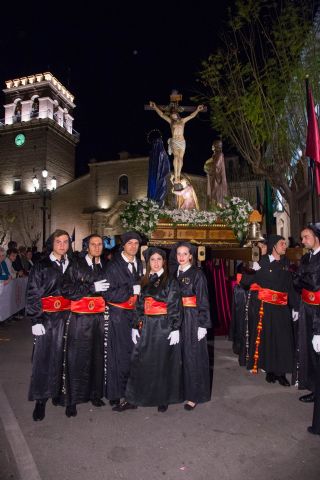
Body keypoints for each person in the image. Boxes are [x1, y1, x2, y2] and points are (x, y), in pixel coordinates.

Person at [125, 247, 183, 412]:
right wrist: (135, 326)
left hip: (162, 326)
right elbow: (139, 305)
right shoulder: (144, 280)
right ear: (148, 263)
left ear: (163, 261)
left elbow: (174, 305)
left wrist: (174, 327)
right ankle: (135, 397)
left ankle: (162, 398)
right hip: (147, 326)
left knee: (162, 363)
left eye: (159, 259)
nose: (156, 263)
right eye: (153, 260)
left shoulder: (170, 281)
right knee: (140, 362)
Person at [60, 234, 110, 417]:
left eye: (100, 244)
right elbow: (66, 290)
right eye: (93, 244)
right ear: (86, 247)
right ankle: (72, 400)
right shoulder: (76, 265)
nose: (97, 247)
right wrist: (90, 288)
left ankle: (95, 394)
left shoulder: (105, 265)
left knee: (97, 357)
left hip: (99, 317)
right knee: (76, 358)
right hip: (80, 318)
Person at [240, 234, 299, 385]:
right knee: (267, 339)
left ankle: (280, 373)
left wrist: (295, 307)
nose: (285, 246)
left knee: (282, 340)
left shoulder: (286, 263)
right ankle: (270, 371)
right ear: (274, 246)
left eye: (285, 244)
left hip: (281, 308)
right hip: (265, 308)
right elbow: (245, 283)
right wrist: (253, 269)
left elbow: (290, 287)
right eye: (282, 244)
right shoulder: (262, 262)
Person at [27, 229, 72, 421]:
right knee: (44, 359)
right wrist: (36, 319)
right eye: (58, 241)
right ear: (51, 244)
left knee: (67, 357)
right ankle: (41, 400)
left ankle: (64, 396)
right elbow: (33, 292)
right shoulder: (41, 266)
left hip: (69, 316)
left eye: (65, 242)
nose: (62, 245)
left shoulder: (72, 264)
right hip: (48, 319)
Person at [103, 231, 143, 411]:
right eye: (130, 243)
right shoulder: (113, 266)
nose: (133, 246)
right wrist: (130, 290)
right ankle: (116, 394)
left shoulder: (139, 263)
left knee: (133, 355)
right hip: (118, 315)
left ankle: (129, 393)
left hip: (134, 315)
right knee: (118, 356)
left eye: (136, 243)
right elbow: (108, 293)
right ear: (123, 245)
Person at [172, 241, 212, 410]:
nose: (181, 257)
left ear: (191, 256)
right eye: (178, 254)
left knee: (192, 356)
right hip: (177, 317)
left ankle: (194, 395)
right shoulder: (174, 273)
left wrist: (202, 324)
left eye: (184, 254)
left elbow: (203, 300)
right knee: (179, 356)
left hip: (192, 318)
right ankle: (181, 390)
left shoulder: (197, 274)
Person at [292, 224, 320, 433]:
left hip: (318, 311)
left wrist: (304, 279)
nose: (303, 241)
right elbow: (297, 281)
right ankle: (313, 388)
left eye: (306, 237)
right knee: (308, 352)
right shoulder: (306, 258)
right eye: (302, 238)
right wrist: (304, 279)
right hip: (306, 307)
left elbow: (314, 284)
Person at [149, 101, 204, 186]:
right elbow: (162, 115)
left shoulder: (182, 121)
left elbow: (191, 116)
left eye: (173, 114)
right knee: (176, 156)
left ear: (176, 114)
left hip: (182, 142)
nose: (171, 115)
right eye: (171, 115)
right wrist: (155, 107)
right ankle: (176, 174)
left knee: (181, 158)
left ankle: (178, 175)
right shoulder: (171, 122)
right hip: (174, 141)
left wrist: (197, 110)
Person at [203, 139, 228, 206]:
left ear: (216, 146)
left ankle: (219, 205)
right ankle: (214, 205)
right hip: (213, 176)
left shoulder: (220, 154)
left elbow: (216, 164)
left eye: (213, 145)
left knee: (216, 192)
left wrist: (209, 165)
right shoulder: (214, 155)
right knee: (213, 192)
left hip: (218, 178)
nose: (212, 146)